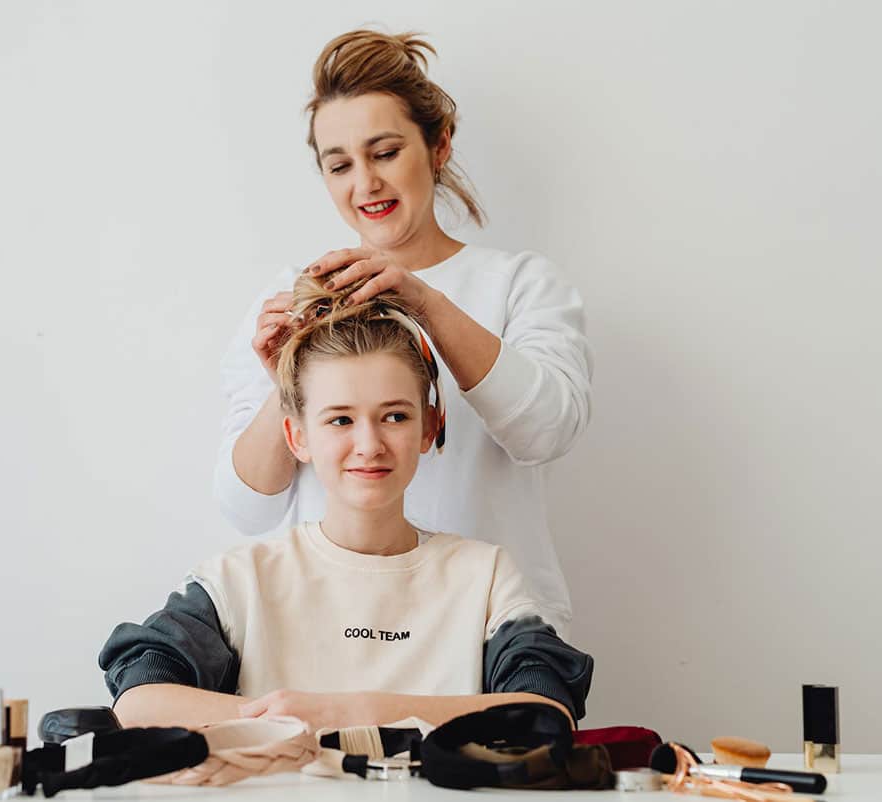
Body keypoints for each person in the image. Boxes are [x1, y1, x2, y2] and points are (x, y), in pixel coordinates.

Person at [214, 28, 593, 635]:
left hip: (493, 630)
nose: (364, 183)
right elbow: (246, 507)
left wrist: (426, 301)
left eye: (385, 153)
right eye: (339, 165)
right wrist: (283, 383)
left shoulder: (521, 283)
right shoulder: (291, 294)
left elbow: (547, 430)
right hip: (335, 628)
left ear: (438, 146)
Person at [101, 276, 593, 732]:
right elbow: (139, 702)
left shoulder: (484, 576)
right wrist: (294, 721)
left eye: (395, 416)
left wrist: (354, 711)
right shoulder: (242, 580)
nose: (369, 444)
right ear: (297, 436)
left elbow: (545, 714)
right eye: (340, 420)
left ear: (429, 427)